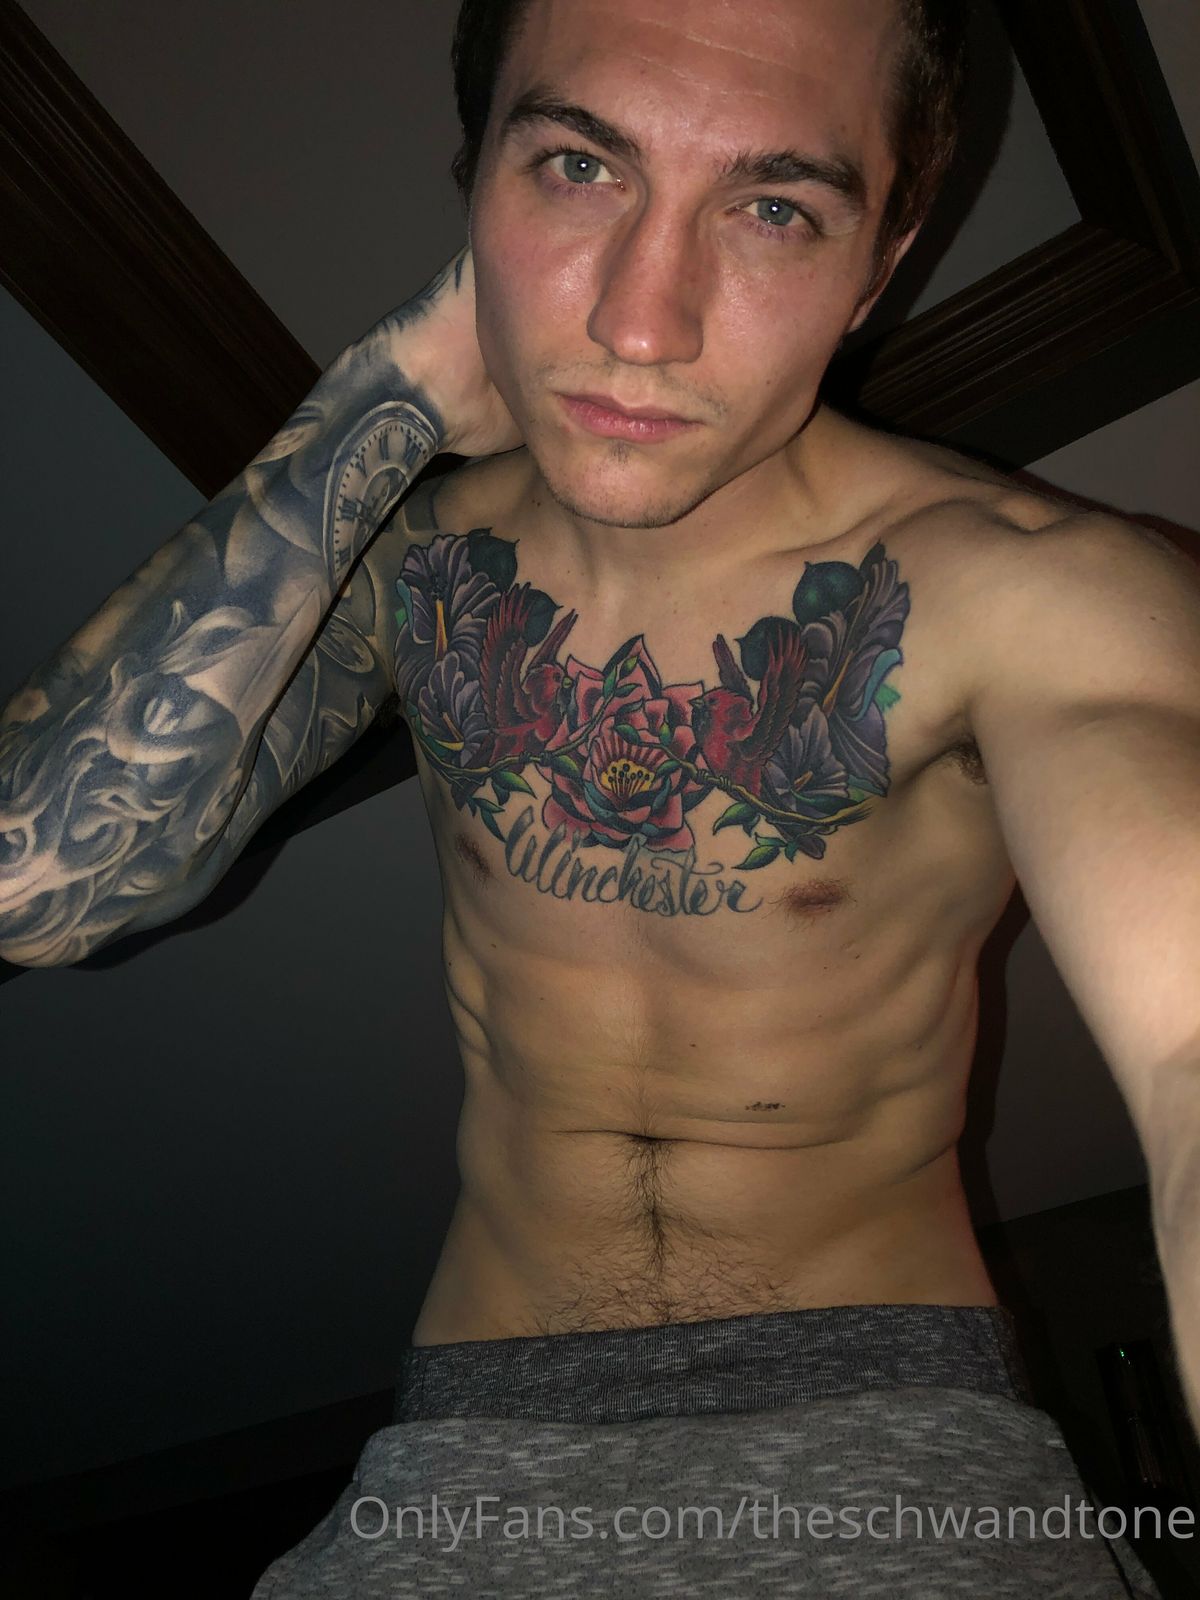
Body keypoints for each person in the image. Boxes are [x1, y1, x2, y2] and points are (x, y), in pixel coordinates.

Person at [1, 0, 1195, 1592]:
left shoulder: (1031, 592)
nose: (644, 322)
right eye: (577, 166)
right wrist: (384, 394)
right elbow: (32, 891)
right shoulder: (410, 564)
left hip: (886, 1422)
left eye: (776, 208)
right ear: (473, 180)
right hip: (468, 1443)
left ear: (880, 262)